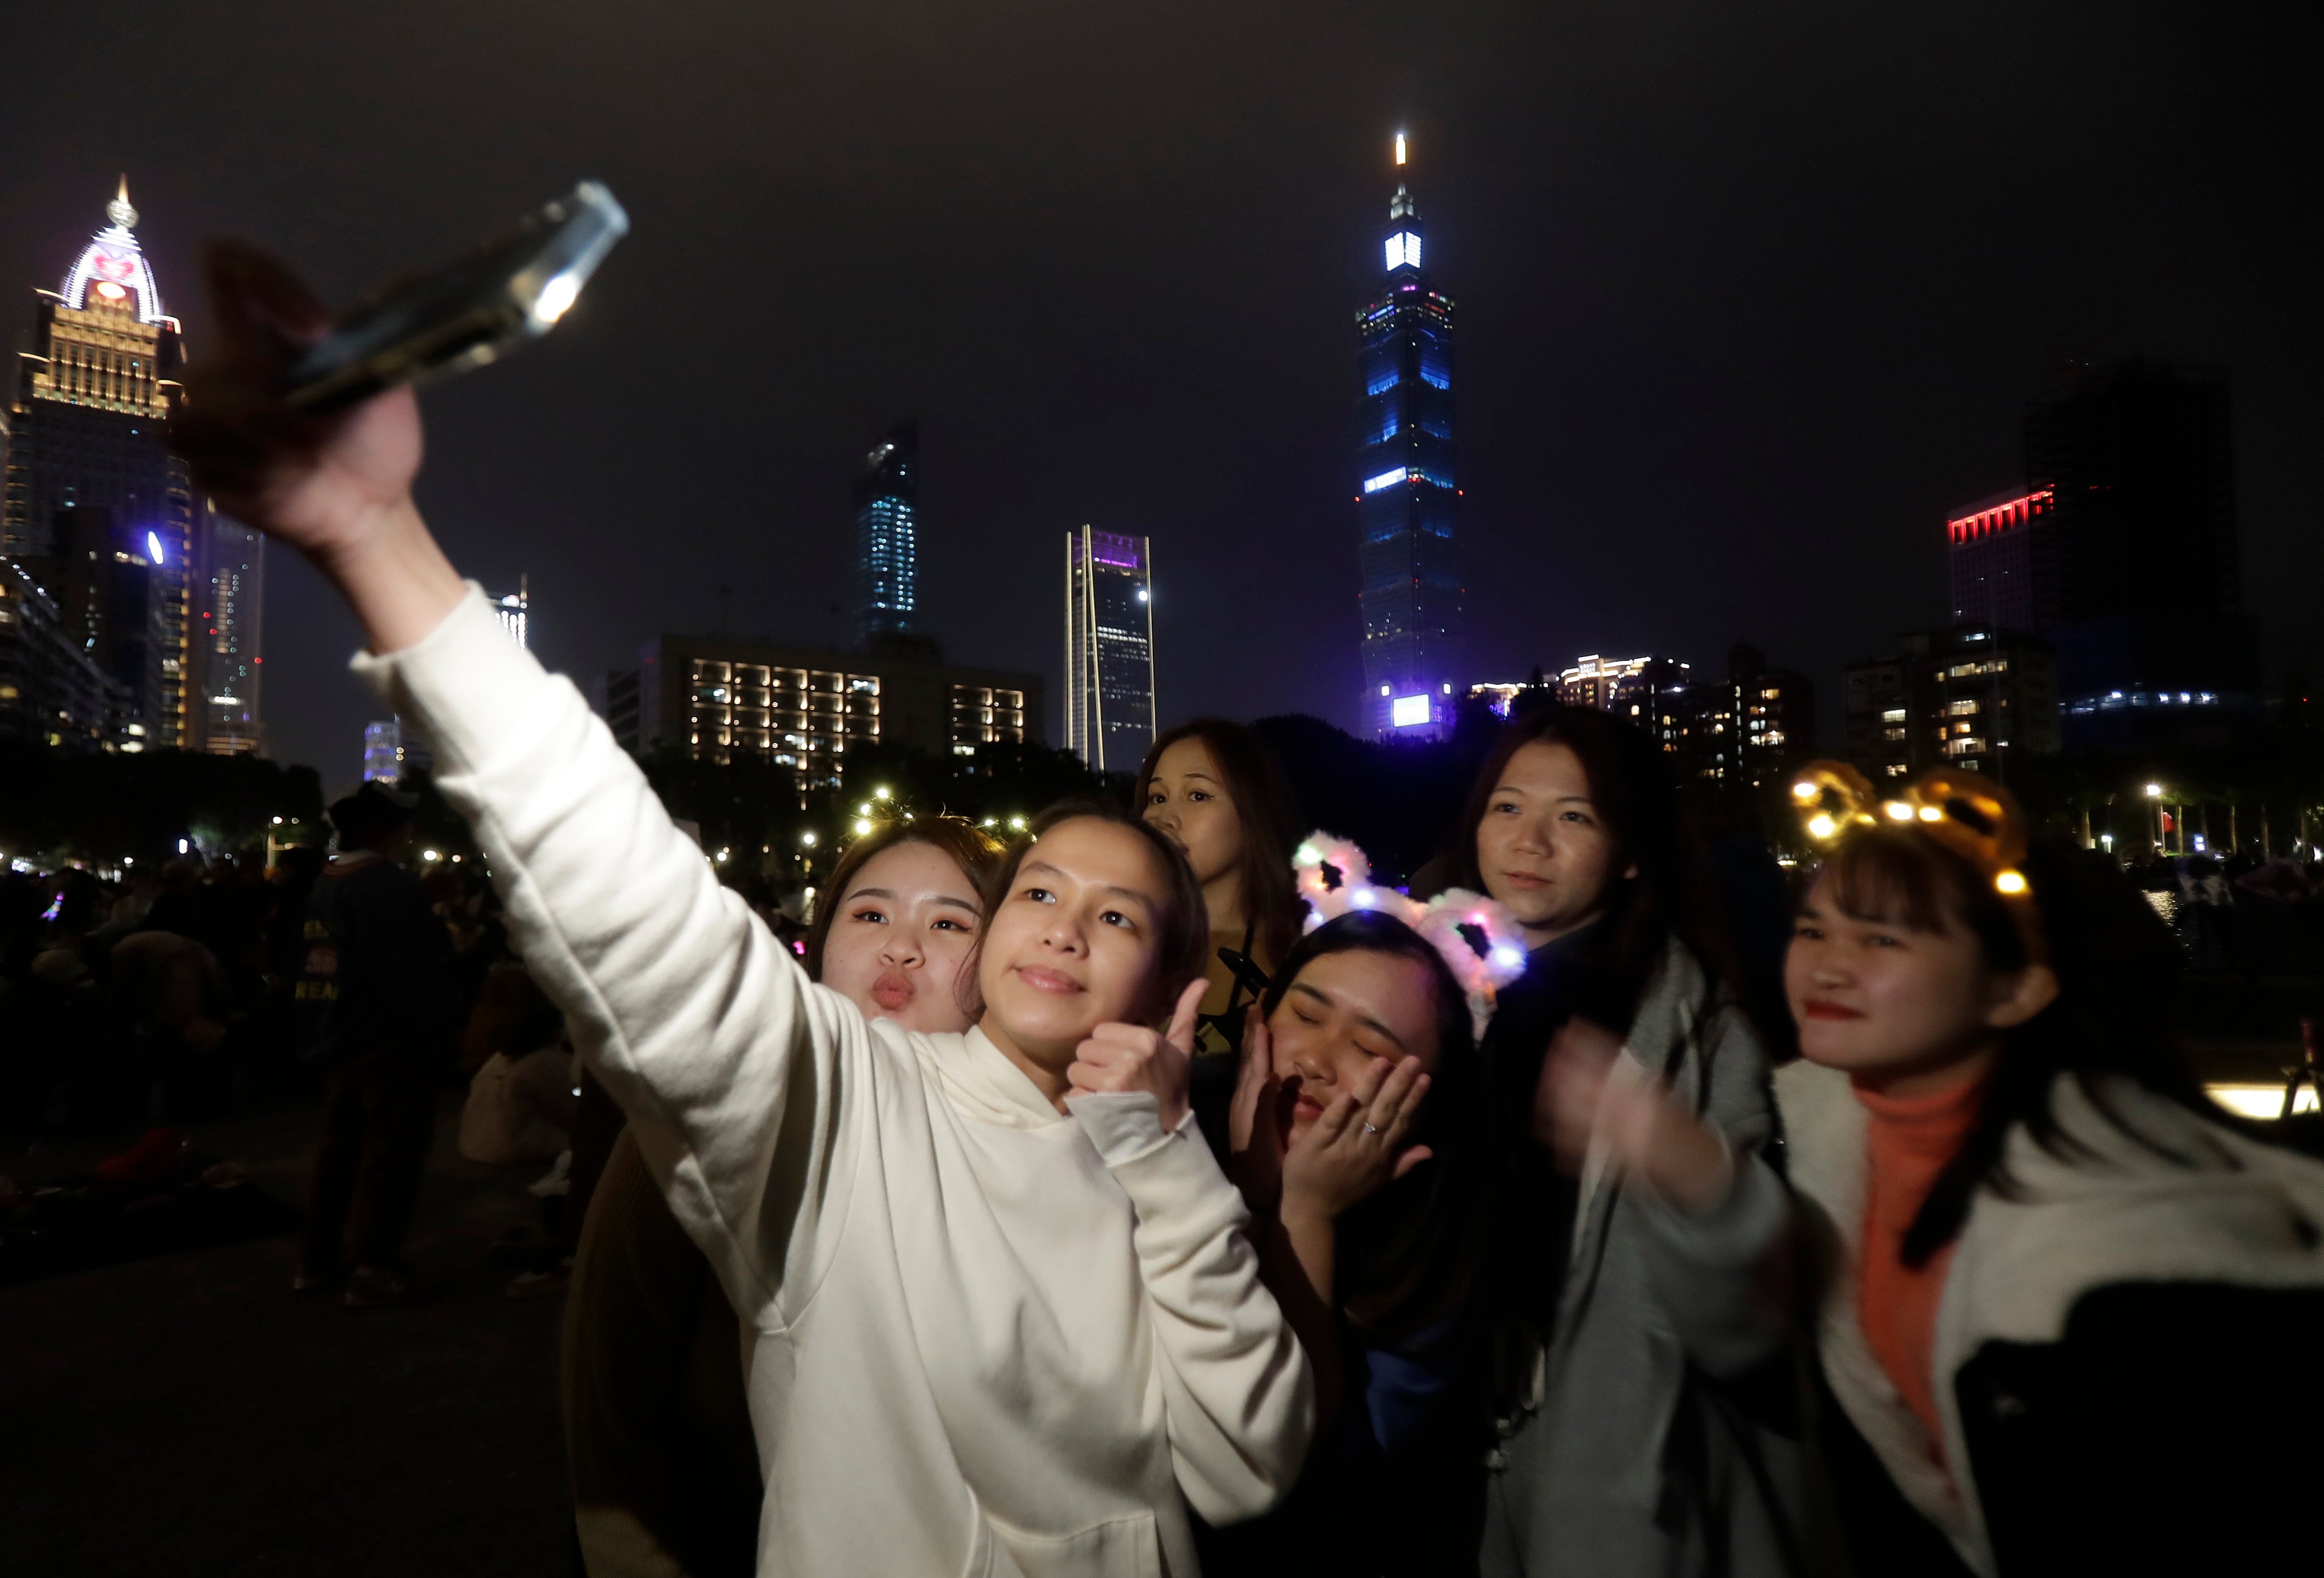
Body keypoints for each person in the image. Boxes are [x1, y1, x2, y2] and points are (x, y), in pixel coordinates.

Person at [173, 243, 1312, 1575]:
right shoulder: (853, 1105)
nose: (1062, 923)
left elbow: (1243, 1467)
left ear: (1175, 981)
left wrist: (1168, 1166)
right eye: (1042, 889)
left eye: (1118, 917)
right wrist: (382, 542)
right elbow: (653, 921)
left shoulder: (1161, 1183)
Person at [1777, 763, 2324, 1576]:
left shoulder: (2135, 1265)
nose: (1824, 966)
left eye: (1883, 937)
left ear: (2019, 986)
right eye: (1813, 928)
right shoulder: (1828, 1133)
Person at [563, 815, 1003, 1578]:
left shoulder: (1028, 1146)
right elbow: (612, 1393)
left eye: (950, 922)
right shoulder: (704, 1117)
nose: (902, 946)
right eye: (869, 915)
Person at [1445, 708, 1800, 1577]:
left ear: (1634, 850)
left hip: (1615, 1467)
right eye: (1507, 806)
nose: (1530, 839)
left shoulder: (1693, 1027)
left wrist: (1688, 1169)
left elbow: (1754, 1319)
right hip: (1446, 1454)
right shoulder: (1435, 994)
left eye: (1575, 816)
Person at [1203, 904, 1498, 1576]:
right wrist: (1250, 1192)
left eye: (1371, 1050)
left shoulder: (1435, 1248)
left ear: (1426, 1101)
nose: (1315, 1059)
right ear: (1259, 1022)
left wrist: (1303, 1213)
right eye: (1304, 1016)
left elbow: (1302, 1472)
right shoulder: (1163, 1126)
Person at [293, 780, 453, 1304]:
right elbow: (407, 972)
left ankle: (318, 1260)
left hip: (339, 1033)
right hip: (389, 1041)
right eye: (403, 824)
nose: (410, 833)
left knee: (337, 1150)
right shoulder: (387, 885)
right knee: (391, 1155)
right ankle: (373, 1267)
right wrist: (430, 1029)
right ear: (380, 830)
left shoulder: (326, 880)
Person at [1138, 719, 1307, 1057]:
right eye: (1157, 797)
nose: (1163, 817)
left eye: (1198, 795)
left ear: (1255, 812)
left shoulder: (1302, 960)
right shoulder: (1124, 939)